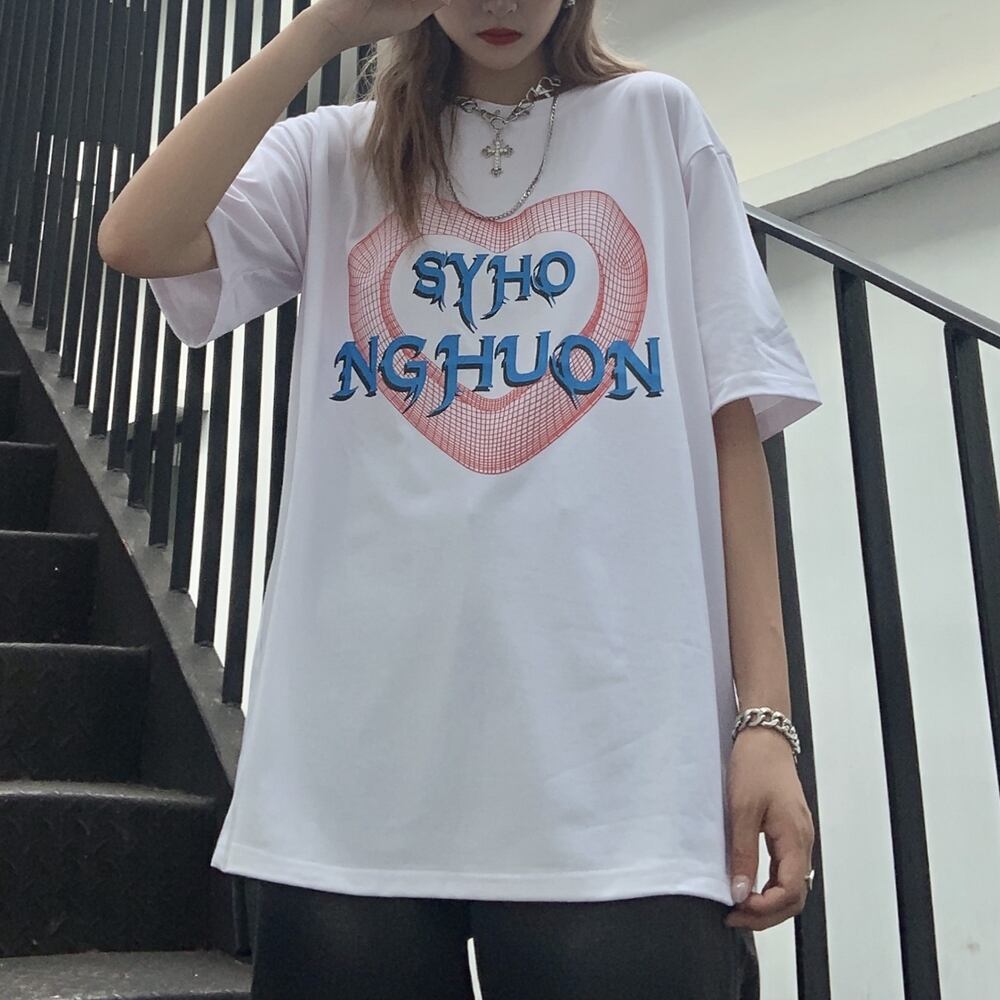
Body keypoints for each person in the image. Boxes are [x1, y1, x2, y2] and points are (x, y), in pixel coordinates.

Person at [99, 1, 821, 997]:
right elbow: (136, 237)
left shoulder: (655, 122)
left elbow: (730, 431)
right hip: (355, 782)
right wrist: (318, 32)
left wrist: (765, 722)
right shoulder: (334, 153)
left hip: (621, 778)